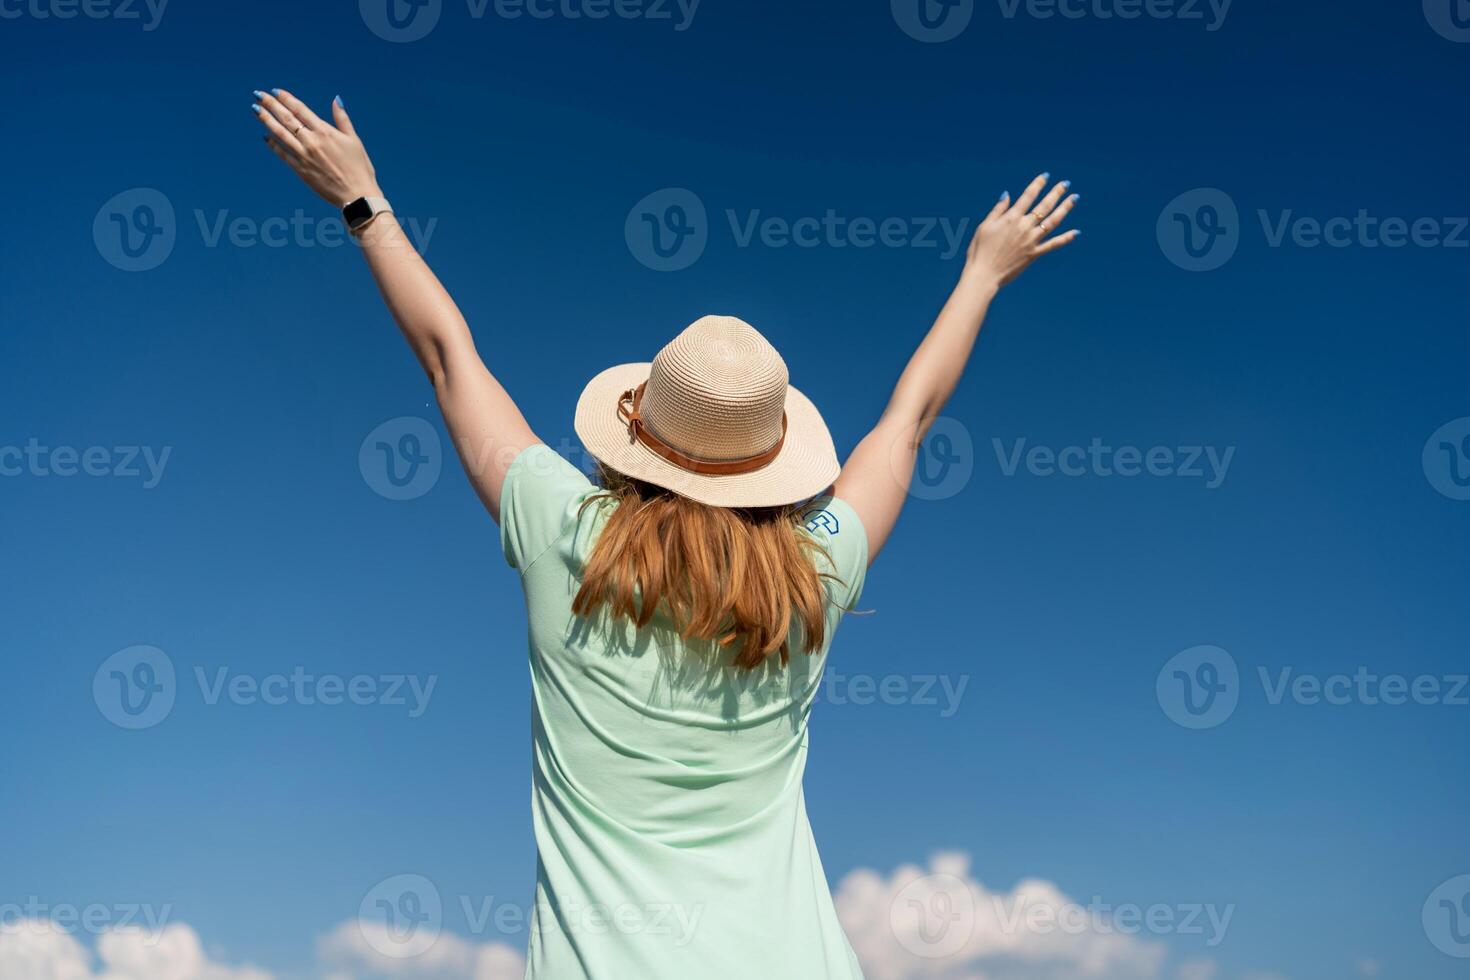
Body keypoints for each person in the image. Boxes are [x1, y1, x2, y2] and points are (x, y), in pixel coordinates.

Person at [252, 88, 1080, 979]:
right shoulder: (815, 573)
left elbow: (451, 356)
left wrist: (362, 200)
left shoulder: (563, 531)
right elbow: (907, 422)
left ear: (636, 431)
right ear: (776, 463)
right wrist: (982, 276)